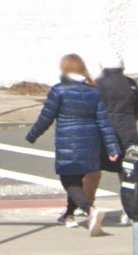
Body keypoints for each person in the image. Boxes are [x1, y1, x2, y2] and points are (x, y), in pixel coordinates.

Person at [27, 53, 122, 236]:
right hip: (90, 142)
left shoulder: (59, 90)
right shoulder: (94, 91)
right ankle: (69, 216)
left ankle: (90, 210)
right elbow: (104, 122)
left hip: (68, 141)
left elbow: (46, 117)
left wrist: (33, 135)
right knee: (76, 177)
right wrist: (113, 148)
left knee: (68, 179)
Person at [95, 55, 138, 225]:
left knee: (92, 169)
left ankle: (86, 206)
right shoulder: (131, 84)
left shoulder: (98, 84)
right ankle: (129, 210)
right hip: (128, 131)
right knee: (128, 172)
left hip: (103, 132)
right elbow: (137, 107)